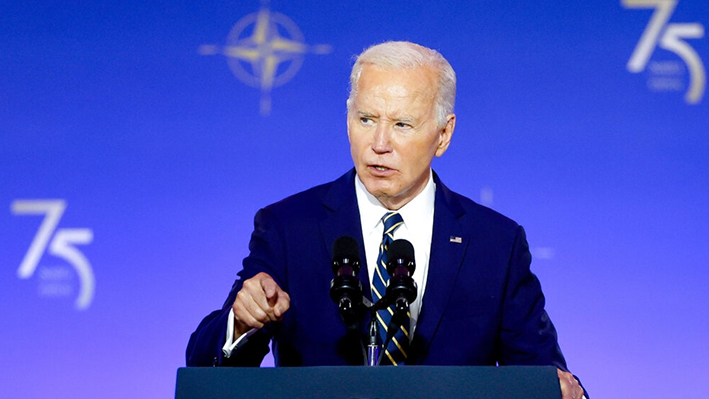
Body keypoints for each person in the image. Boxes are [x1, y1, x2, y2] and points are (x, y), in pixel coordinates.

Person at [186, 41, 586, 399]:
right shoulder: (290, 227)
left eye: (401, 124)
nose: (379, 144)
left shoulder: (495, 242)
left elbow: (542, 378)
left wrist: (564, 390)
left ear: (443, 135)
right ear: (347, 120)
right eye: (365, 119)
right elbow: (205, 370)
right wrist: (240, 322)